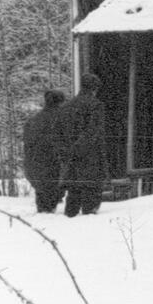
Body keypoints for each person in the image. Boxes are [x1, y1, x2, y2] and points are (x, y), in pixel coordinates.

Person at [58, 72, 108, 217]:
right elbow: (93, 131)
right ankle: (88, 219)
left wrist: (67, 151)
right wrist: (80, 148)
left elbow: (58, 133)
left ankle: (69, 217)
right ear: (95, 88)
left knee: (73, 191)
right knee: (91, 192)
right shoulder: (96, 105)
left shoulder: (66, 107)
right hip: (90, 156)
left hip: (71, 157)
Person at [22, 89, 67, 213]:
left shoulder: (33, 120)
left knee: (42, 196)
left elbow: (26, 144)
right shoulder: (63, 119)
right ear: (61, 102)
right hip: (53, 166)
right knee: (51, 195)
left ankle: (44, 213)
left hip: (34, 166)